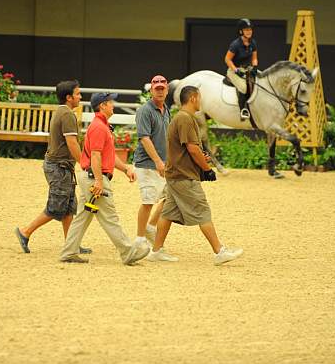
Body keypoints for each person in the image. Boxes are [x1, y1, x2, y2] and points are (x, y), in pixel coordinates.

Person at [147, 85, 243, 265]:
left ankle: (157, 250)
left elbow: (189, 148)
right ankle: (219, 251)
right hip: (183, 176)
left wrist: (200, 158)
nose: (201, 101)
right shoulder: (185, 119)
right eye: (200, 98)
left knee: (168, 213)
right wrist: (207, 168)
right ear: (193, 98)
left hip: (176, 175)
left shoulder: (181, 118)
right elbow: (192, 148)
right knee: (202, 210)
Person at [59, 92, 150, 265]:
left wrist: (124, 168)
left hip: (90, 177)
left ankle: (68, 252)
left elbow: (107, 155)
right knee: (110, 217)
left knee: (82, 217)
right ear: (103, 106)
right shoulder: (99, 127)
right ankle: (128, 252)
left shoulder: (100, 125)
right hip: (95, 178)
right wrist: (99, 181)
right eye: (110, 102)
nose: (113, 105)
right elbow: (95, 156)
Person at [13, 80, 92, 254]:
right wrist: (85, 164)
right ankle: (25, 232)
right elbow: (72, 143)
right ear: (69, 97)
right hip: (59, 167)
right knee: (56, 206)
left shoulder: (63, 112)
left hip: (61, 166)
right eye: (78, 93)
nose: (80, 96)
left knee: (69, 207)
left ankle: (71, 244)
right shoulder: (68, 115)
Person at [132, 75, 171, 249]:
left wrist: (169, 160)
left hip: (163, 162)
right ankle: (140, 238)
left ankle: (151, 226)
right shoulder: (144, 110)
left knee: (170, 197)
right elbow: (144, 138)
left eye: (163, 88)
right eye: (157, 88)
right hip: (147, 163)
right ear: (151, 90)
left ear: (167, 89)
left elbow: (167, 136)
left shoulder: (166, 109)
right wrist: (157, 161)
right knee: (148, 202)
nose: (160, 90)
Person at [224, 18, 259, 120]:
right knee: (244, 88)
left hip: (247, 69)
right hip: (234, 70)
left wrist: (255, 67)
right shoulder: (236, 44)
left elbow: (254, 58)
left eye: (250, 30)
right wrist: (236, 70)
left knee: (259, 83)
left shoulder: (253, 43)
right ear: (241, 31)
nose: (249, 32)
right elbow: (227, 59)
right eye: (246, 30)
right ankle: (243, 110)